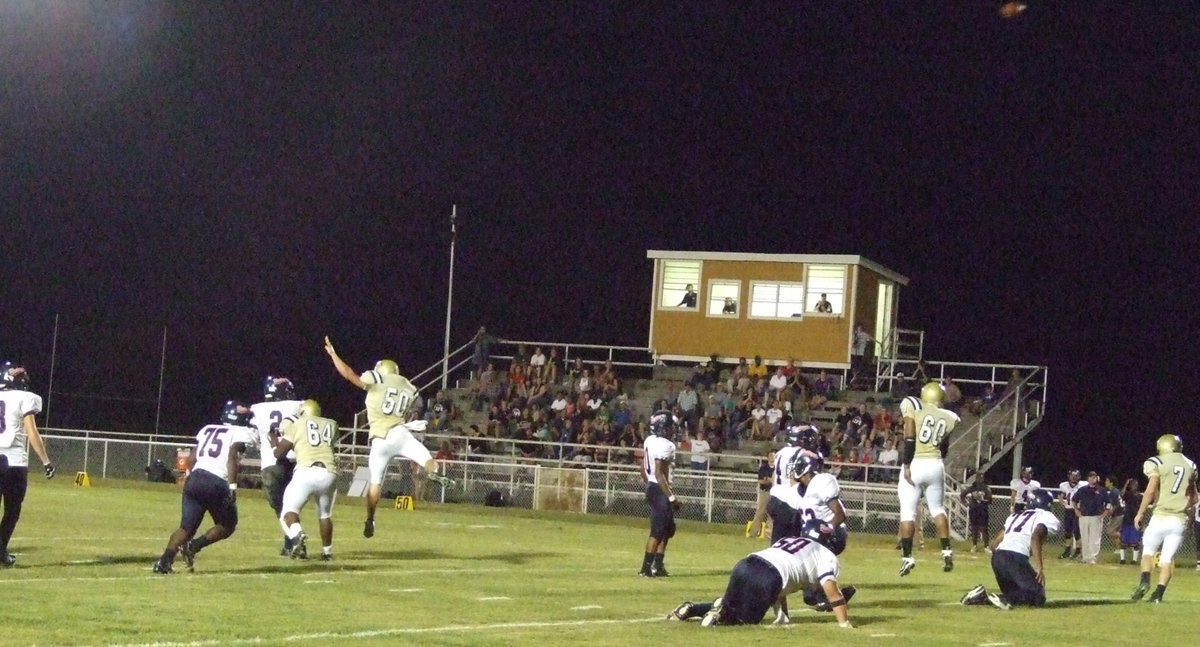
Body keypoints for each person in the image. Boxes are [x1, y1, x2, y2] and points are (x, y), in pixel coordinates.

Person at [324, 336, 453, 539]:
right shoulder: (407, 385)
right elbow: (409, 405)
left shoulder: (375, 379)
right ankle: (435, 471)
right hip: (401, 433)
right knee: (426, 458)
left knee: (375, 483)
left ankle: (370, 519)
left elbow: (350, 375)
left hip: (380, 439)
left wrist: (333, 355)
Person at [667, 519, 853, 629]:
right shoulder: (825, 555)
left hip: (746, 564)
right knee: (746, 619)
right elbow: (833, 593)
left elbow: (784, 580)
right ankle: (720, 609)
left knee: (731, 605)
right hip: (770, 576)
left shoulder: (791, 540)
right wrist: (844, 624)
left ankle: (692, 608)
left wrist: (783, 616)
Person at [153, 400, 256, 574]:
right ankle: (194, 546)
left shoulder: (208, 429)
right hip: (216, 482)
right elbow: (232, 457)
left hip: (195, 478)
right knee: (227, 524)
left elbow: (192, 459)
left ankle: (164, 562)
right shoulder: (240, 432)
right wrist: (232, 486)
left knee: (185, 528)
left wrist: (190, 477)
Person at [897, 382, 960, 575]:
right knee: (938, 509)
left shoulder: (913, 406)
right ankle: (946, 551)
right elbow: (945, 446)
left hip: (915, 462)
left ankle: (907, 558)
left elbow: (909, 437)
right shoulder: (950, 417)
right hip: (935, 464)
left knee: (908, 512)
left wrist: (907, 464)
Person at [959, 488, 1059, 610]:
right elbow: (1036, 537)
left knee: (1018, 594)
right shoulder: (1047, 516)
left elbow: (994, 544)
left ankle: (981, 596)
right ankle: (1004, 599)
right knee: (1037, 595)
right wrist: (1039, 567)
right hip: (1015, 557)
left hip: (998, 557)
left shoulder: (1016, 515)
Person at [1130, 434, 1197, 603]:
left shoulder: (1156, 462)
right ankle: (1158, 594)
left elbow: (1151, 491)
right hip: (1179, 519)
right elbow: (1194, 497)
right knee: (1167, 559)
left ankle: (1145, 581)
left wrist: (1140, 512)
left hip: (1160, 516)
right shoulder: (1190, 465)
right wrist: (1185, 509)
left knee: (1148, 552)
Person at [0, 363, 55, 567]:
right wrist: (46, 461)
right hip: (14, 463)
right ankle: (0, 550)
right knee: (12, 511)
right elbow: (32, 433)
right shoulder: (24, 398)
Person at [272, 399, 338, 561]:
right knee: (324, 515)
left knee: (288, 512)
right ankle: (327, 553)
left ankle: (297, 535)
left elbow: (279, 453)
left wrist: (273, 442)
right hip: (329, 472)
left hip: (306, 471)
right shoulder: (332, 424)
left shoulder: (296, 424)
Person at [249, 376, 304, 556]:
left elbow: (254, 436)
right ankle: (291, 542)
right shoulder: (298, 405)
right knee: (290, 506)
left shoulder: (256, 409)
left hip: (271, 464)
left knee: (281, 508)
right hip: (295, 462)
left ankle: (294, 540)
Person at [639, 410, 680, 577]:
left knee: (668, 529)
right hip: (660, 488)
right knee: (657, 531)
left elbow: (642, 467)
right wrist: (671, 497)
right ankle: (646, 569)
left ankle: (658, 565)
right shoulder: (666, 445)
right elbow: (658, 473)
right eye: (671, 427)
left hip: (655, 487)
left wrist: (649, 484)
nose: (673, 430)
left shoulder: (650, 440)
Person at [1071, 471, 1110, 564]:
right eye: (1091, 477)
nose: (1093, 479)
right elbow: (1074, 500)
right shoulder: (1082, 489)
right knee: (1084, 537)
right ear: (1088, 479)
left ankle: (1093, 557)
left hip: (1096, 517)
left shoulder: (1101, 490)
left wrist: (1105, 512)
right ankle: (1085, 557)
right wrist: (1076, 510)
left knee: (1095, 538)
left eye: (1094, 477)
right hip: (1084, 516)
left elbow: (1108, 502)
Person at [960, 470, 993, 553]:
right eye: (979, 478)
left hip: (983, 509)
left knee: (984, 528)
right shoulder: (973, 487)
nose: (980, 480)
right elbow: (963, 494)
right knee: (974, 528)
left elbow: (990, 499)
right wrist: (966, 503)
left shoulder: (986, 488)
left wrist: (983, 500)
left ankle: (986, 546)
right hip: (974, 509)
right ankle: (974, 546)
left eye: (982, 478)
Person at [746, 449, 774, 539]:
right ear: (768, 457)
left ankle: (770, 534)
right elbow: (761, 481)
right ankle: (753, 532)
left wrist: (769, 480)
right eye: (771, 456)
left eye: (774, 456)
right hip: (765, 492)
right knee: (760, 512)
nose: (772, 458)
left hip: (774, 493)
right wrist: (769, 480)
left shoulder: (778, 468)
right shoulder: (763, 468)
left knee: (772, 514)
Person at [1056, 469, 1083, 559]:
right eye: (1072, 476)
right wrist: (1063, 503)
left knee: (1077, 531)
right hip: (1068, 510)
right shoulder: (1064, 485)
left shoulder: (1082, 486)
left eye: (1076, 476)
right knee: (1068, 531)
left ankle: (1078, 551)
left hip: (1077, 510)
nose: (1074, 478)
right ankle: (1067, 550)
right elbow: (1060, 495)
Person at [1117, 478, 1142, 565]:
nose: (1134, 486)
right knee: (1123, 541)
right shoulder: (1127, 494)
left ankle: (1134, 560)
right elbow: (1121, 494)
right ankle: (1122, 559)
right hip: (1127, 520)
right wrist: (1126, 484)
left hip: (1135, 520)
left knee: (1135, 542)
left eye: (1136, 484)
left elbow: (1143, 509)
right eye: (1133, 484)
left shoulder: (1139, 496)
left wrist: (1142, 520)